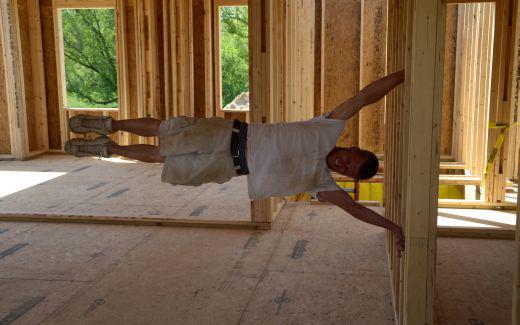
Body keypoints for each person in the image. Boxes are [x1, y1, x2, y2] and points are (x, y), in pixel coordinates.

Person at [65, 70, 406, 253]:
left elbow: (355, 210)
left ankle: (106, 149)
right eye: (352, 159)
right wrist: (405, 73)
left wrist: (393, 227)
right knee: (162, 130)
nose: (345, 165)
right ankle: (109, 124)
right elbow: (365, 97)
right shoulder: (326, 129)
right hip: (228, 134)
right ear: (354, 147)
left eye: (350, 172)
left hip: (228, 168)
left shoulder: (322, 183)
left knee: (160, 157)